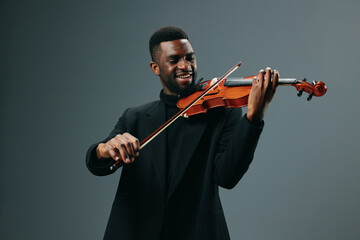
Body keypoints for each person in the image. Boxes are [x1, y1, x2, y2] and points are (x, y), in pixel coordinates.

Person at [86, 26, 279, 240]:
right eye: (174, 60)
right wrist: (106, 149)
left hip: (196, 232)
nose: (185, 66)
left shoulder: (222, 113)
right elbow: (97, 163)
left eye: (190, 58)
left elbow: (227, 177)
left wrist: (254, 118)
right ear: (155, 67)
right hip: (136, 231)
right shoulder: (135, 117)